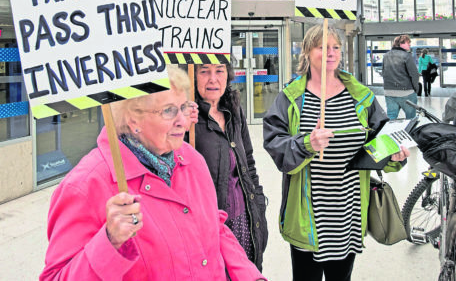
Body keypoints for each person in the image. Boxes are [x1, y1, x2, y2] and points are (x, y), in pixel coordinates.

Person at [39, 66, 266, 281]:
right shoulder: (86, 185)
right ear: (133, 119)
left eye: (184, 107)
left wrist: (250, 275)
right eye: (169, 111)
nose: (182, 121)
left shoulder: (192, 160)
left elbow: (214, 230)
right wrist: (109, 242)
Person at [263, 25, 410, 281]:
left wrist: (393, 157)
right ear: (307, 52)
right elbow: (275, 142)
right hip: (307, 213)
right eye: (322, 47)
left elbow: (379, 139)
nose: (330, 53)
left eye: (335, 47)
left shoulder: (361, 96)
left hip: (348, 211)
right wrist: (307, 143)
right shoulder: (291, 98)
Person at [194, 62, 268, 271]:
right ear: (193, 76)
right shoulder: (187, 120)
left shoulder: (234, 110)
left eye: (219, 71)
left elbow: (249, 162)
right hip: (212, 227)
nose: (213, 78)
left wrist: (259, 204)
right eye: (204, 71)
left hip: (245, 220)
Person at [381, 34, 420, 119]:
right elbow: (414, 74)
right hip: (407, 92)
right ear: (400, 44)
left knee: (391, 118)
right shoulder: (406, 56)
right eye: (407, 43)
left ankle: (390, 132)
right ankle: (409, 132)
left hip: (389, 92)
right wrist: (416, 89)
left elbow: (384, 72)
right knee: (410, 119)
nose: (409, 45)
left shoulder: (386, 56)